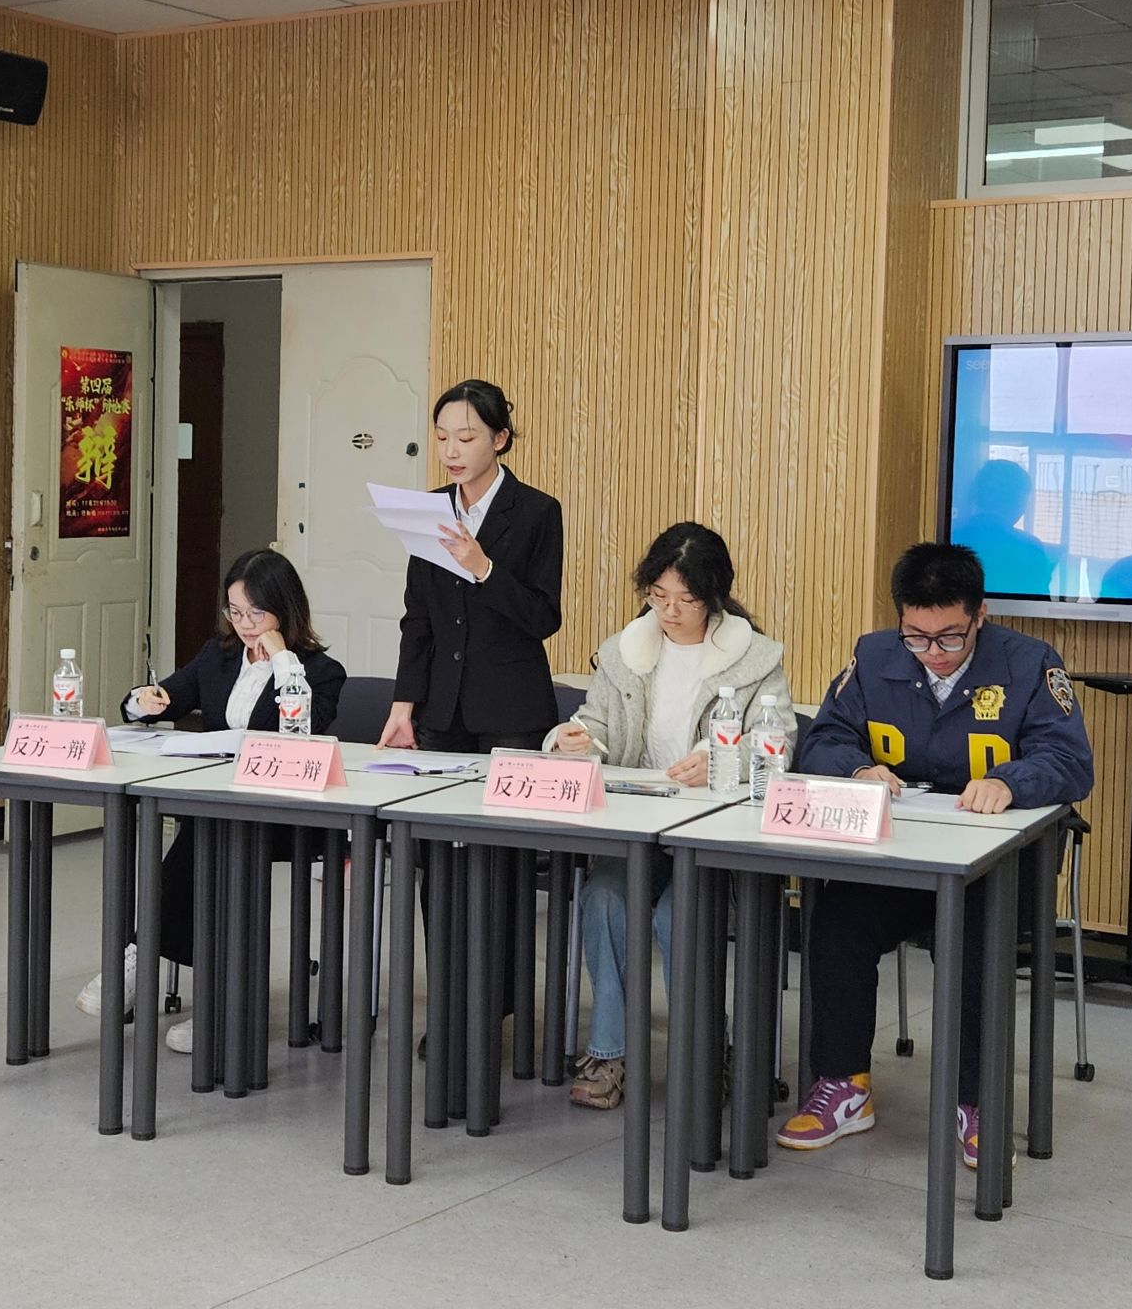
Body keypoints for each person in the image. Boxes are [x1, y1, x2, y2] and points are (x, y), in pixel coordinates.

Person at [780, 541, 1092, 1169]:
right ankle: (844, 1085)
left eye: (950, 637)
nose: (934, 652)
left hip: (995, 869)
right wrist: (857, 767)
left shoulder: (1030, 663)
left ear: (980, 616)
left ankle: (976, 1101)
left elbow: (1069, 761)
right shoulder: (874, 656)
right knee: (836, 926)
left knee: (976, 943)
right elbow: (824, 739)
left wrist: (1010, 782)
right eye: (917, 638)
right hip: (900, 859)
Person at [548, 523, 790, 1110]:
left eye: (686, 599)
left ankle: (702, 1052)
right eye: (658, 596)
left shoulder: (754, 658)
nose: (670, 612)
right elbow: (595, 723)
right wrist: (572, 739)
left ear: (714, 597)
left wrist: (721, 761)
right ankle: (610, 1052)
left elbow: (778, 739)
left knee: (676, 914)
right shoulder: (624, 653)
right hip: (638, 826)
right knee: (605, 899)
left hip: (712, 834)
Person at [74, 548, 345, 1051]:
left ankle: (153, 962)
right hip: (221, 807)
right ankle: (198, 987)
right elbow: (162, 698)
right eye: (234, 611)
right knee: (207, 829)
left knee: (207, 832)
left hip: (288, 814)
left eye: (255, 613)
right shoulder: (217, 656)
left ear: (284, 609)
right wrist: (144, 700)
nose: (244, 624)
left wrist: (282, 660)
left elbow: (302, 727)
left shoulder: (320, 671)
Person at [378, 379, 562, 754]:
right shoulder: (430, 509)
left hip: (513, 710)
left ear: (499, 439)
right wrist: (403, 703)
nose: (450, 452)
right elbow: (418, 618)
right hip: (441, 710)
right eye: (442, 437)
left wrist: (485, 569)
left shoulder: (537, 511)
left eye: (465, 439)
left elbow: (543, 618)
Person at [952, 458, 1054, 597]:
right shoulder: (1030, 548)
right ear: (1018, 502)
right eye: (1024, 501)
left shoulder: (953, 538)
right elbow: (1041, 599)